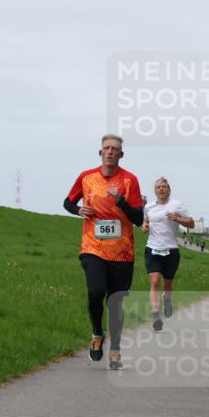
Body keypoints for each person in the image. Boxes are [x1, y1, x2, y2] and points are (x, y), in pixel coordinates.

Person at [63, 134, 144, 370]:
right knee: (96, 290)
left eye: (115, 149)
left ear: (121, 155)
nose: (110, 152)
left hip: (122, 252)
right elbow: (67, 203)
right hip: (93, 247)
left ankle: (116, 349)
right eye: (106, 148)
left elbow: (138, 218)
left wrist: (121, 202)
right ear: (100, 153)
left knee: (116, 302)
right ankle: (97, 333)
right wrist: (79, 210)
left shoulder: (130, 181)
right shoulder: (86, 177)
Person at [141, 177, 194, 331]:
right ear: (155, 190)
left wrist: (177, 218)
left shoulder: (177, 205)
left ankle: (167, 299)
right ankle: (155, 315)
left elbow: (191, 223)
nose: (161, 189)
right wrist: (144, 226)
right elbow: (146, 223)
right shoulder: (148, 207)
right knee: (155, 281)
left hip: (171, 250)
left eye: (164, 186)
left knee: (168, 283)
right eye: (158, 187)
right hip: (152, 249)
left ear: (169, 190)